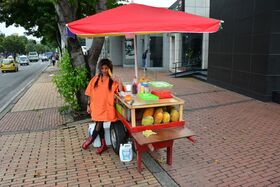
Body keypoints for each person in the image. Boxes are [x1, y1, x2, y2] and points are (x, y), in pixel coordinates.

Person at [82, 58, 123, 154]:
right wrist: (88, 105)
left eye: (106, 68)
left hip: (106, 108)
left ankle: (91, 139)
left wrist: (119, 80)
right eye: (102, 68)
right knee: (99, 123)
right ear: (99, 68)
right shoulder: (95, 79)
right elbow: (90, 93)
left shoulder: (112, 81)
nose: (104, 70)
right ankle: (103, 144)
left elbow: (121, 93)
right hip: (96, 106)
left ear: (109, 69)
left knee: (99, 123)